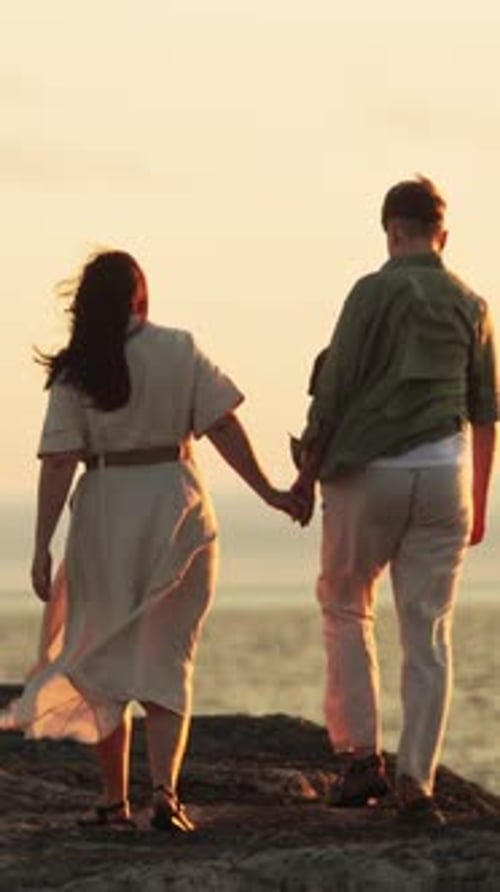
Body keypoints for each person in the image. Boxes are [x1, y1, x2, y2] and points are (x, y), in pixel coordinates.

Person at [1, 250, 299, 833]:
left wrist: (41, 545)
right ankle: (166, 795)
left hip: (106, 511)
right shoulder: (180, 348)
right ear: (141, 295)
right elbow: (222, 425)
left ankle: (115, 801)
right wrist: (268, 490)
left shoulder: (75, 368)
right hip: (175, 507)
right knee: (168, 656)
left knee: (105, 656)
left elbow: (60, 460)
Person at [293, 177, 498, 826]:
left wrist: (306, 474)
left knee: (347, 604)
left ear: (390, 229)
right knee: (428, 630)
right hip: (446, 476)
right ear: (443, 233)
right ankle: (417, 779)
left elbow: (336, 389)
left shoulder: (371, 292)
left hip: (370, 472)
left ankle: (361, 762)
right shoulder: (472, 303)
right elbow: (487, 413)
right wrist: (481, 500)